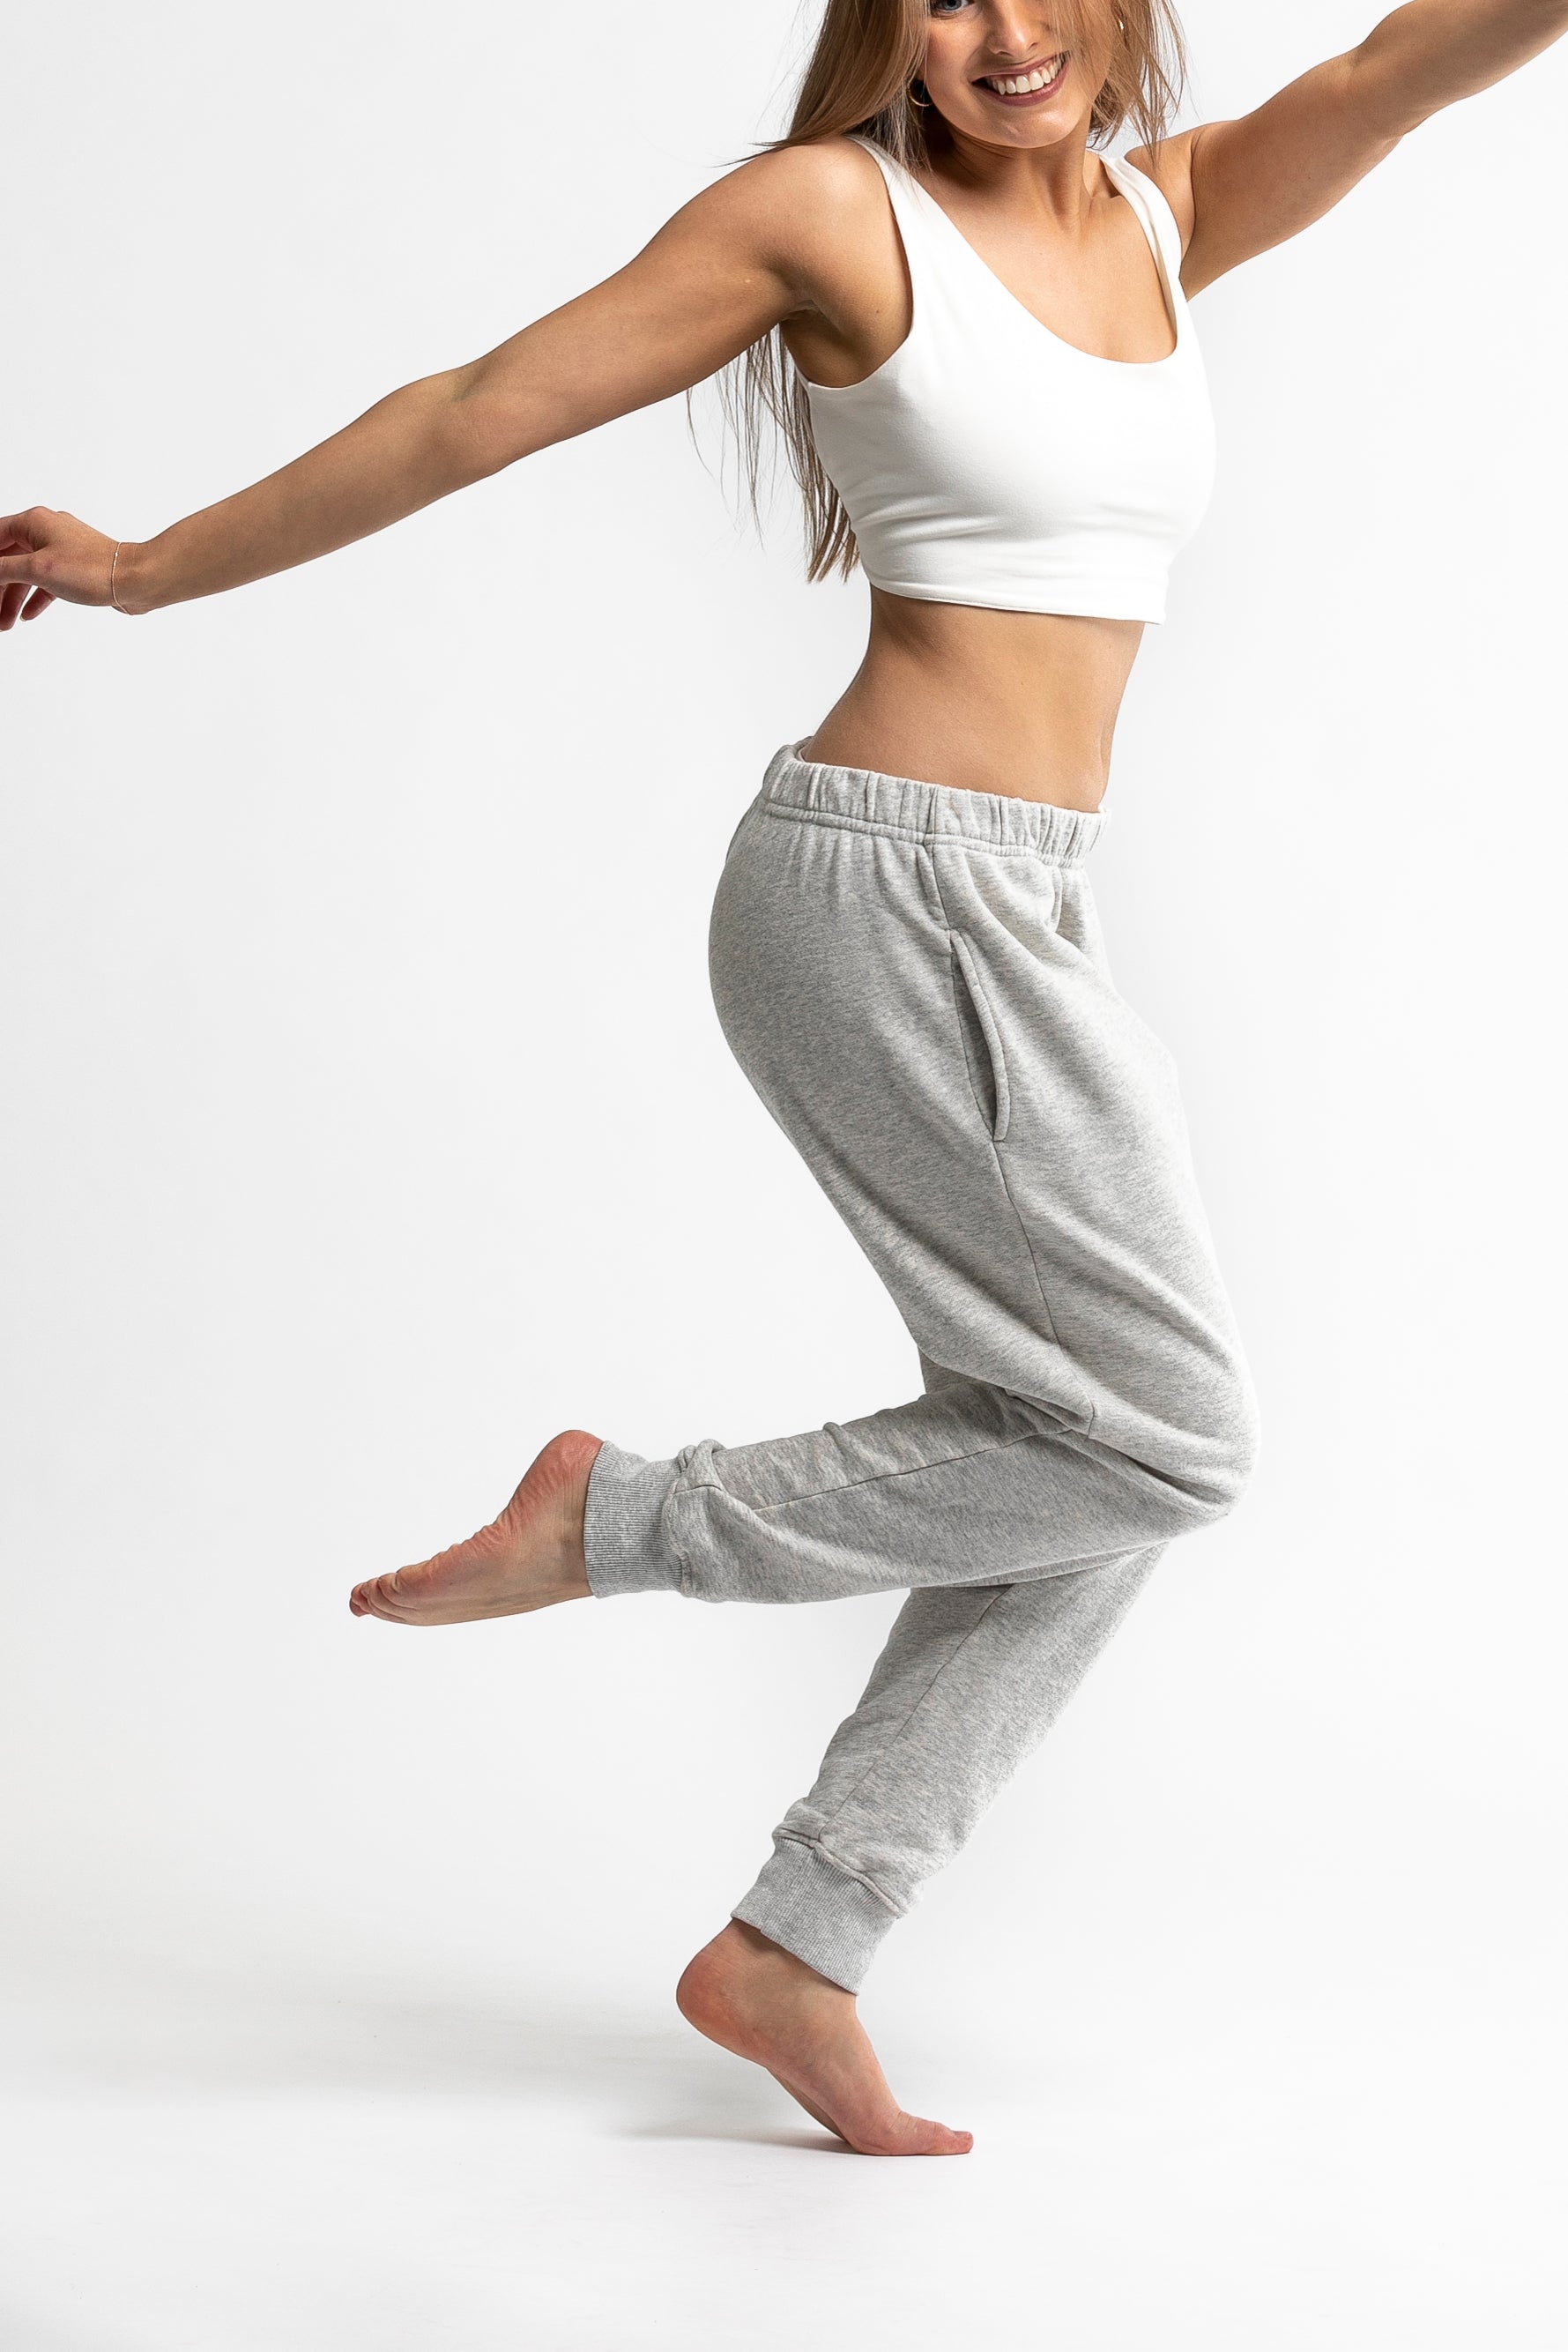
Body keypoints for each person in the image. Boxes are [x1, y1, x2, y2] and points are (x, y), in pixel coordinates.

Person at [4, 0, 1563, 2159]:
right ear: (886, 30)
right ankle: (621, 1519)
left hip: (1020, 902)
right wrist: (149, 564)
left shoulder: (1157, 212)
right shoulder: (833, 218)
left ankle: (798, 1940)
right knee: (1167, 1431)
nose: (998, 30)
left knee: (1087, 1444)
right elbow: (471, 411)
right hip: (883, 890)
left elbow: (1397, 68)